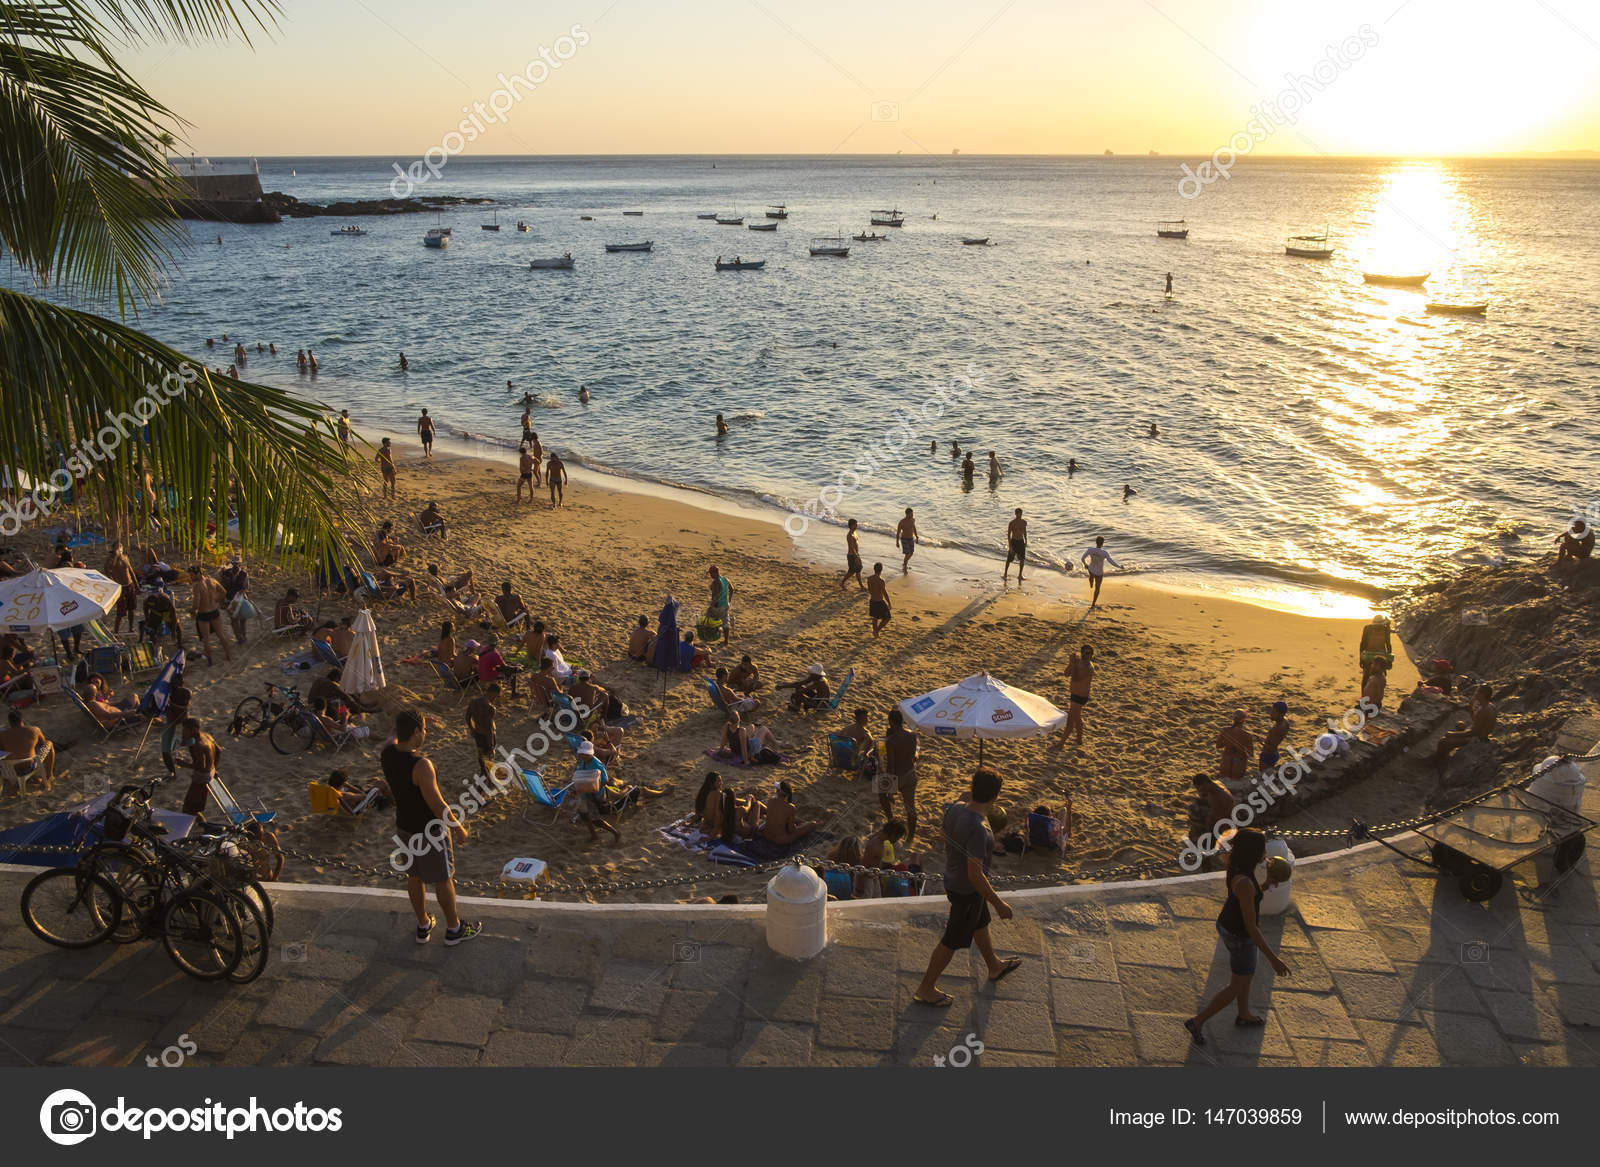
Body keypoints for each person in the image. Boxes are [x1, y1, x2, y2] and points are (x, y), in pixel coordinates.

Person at [912, 768, 1021, 1007]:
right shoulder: (980, 830)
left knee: (980, 923)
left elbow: (943, 834)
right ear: (995, 798)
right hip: (966, 891)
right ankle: (925, 988)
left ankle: (993, 966)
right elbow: (975, 874)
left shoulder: (955, 809)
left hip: (953, 879)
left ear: (972, 789)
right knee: (951, 939)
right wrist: (999, 903)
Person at [1184, 828, 1291, 1045]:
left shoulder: (1238, 866)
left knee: (1245, 975)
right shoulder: (1246, 884)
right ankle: (1197, 1021)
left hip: (1228, 924)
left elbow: (1247, 896)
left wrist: (1264, 885)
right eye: (1262, 850)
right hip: (1240, 936)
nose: (1265, 854)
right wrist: (1274, 960)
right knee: (1236, 985)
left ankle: (1244, 1014)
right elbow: (1251, 927)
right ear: (1252, 853)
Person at [382, 711, 481, 945]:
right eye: (423, 729)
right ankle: (454, 929)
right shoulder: (421, 765)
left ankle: (423, 924)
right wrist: (458, 828)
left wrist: (412, 719)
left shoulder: (387, 754)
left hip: (404, 828)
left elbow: (391, 736)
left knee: (414, 876)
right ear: (416, 733)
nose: (425, 733)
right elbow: (437, 804)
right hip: (430, 833)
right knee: (443, 879)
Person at [1430, 683, 1497, 770]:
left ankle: (1437, 761)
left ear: (1482, 694)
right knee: (1459, 724)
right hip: (1482, 734)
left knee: (1443, 741)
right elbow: (1477, 722)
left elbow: (1474, 732)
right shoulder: (1490, 706)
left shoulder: (1483, 710)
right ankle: (1446, 752)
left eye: (1477, 691)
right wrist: (1470, 709)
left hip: (1478, 739)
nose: (1475, 693)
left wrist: (1453, 734)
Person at [881, 708, 920, 844]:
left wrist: (891, 790)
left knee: (881, 793)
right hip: (910, 774)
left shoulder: (891, 740)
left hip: (897, 776)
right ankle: (910, 837)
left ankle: (890, 820)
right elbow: (915, 755)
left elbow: (891, 765)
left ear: (891, 722)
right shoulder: (912, 735)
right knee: (910, 807)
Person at [571, 741, 622, 843]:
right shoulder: (583, 762)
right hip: (584, 793)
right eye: (581, 754)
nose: (582, 756)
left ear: (591, 754)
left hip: (594, 795)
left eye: (584, 754)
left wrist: (593, 787)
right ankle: (594, 835)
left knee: (595, 819)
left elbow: (605, 780)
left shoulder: (596, 764)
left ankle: (615, 833)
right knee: (584, 815)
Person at [0, 708, 56, 795]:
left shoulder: (2, 735)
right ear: (22, 720)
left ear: (9, 722)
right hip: (29, 767)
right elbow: (42, 743)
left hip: (11, 770)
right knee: (49, 743)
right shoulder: (34, 730)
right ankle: (49, 776)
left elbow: (2, 751)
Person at [189, 566, 234, 664]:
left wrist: (192, 611)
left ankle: (210, 661)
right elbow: (224, 592)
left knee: (206, 639)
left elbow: (196, 604)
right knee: (221, 635)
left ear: (198, 574)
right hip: (214, 611)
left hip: (203, 614)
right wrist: (216, 600)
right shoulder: (212, 581)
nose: (191, 577)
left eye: (192, 575)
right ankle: (229, 656)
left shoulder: (197, 586)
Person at [1052, 644, 1095, 747]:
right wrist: (1071, 664)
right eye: (1083, 652)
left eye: (1088, 653)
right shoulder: (1078, 662)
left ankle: (1061, 743)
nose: (1085, 655)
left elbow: (1075, 678)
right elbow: (1066, 674)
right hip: (1074, 694)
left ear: (1092, 655)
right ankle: (1079, 740)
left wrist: (1073, 664)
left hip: (1080, 697)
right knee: (1077, 718)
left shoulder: (1089, 667)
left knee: (1071, 720)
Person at [1187, 772, 1236, 858]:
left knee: (1204, 846)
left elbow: (1220, 820)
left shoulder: (1219, 798)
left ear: (1205, 783)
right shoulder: (1215, 786)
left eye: (1200, 788)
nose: (1199, 791)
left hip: (1222, 826)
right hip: (1219, 819)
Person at [180, 717, 221, 817]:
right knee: (193, 807)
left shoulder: (198, 745)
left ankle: (205, 825)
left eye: (185, 729)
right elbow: (219, 751)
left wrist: (183, 764)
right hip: (210, 773)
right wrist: (213, 767)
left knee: (189, 808)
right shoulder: (206, 736)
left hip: (201, 778)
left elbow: (200, 766)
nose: (184, 732)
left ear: (193, 730)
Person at [761, 779, 816, 844]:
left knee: (794, 820)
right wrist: (798, 826)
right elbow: (791, 830)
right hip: (780, 840)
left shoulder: (770, 801)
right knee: (813, 824)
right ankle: (805, 823)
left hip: (767, 836)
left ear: (778, 792)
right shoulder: (790, 807)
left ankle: (803, 822)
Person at [1079, 535, 1122, 606]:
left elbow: (1082, 558)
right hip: (1099, 573)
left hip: (1091, 569)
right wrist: (1119, 566)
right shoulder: (1104, 553)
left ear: (1096, 542)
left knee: (1091, 576)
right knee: (1097, 588)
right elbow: (1111, 561)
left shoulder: (1090, 550)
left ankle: (1091, 582)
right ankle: (1093, 603)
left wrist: (1085, 564)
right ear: (1103, 543)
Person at [1216, 710, 1254, 783]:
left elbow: (1218, 746)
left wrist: (1228, 743)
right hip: (1238, 768)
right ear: (1244, 720)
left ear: (1233, 719)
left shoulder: (1224, 730)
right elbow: (1251, 754)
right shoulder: (1247, 735)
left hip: (1225, 766)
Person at [465, 683, 498, 762]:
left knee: (480, 754)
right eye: (496, 695)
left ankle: (482, 771)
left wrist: (472, 729)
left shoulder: (473, 702)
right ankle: (487, 773)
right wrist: (491, 746)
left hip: (477, 732)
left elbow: (467, 717)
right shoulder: (490, 708)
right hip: (487, 735)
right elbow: (489, 728)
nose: (495, 698)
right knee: (489, 756)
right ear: (492, 693)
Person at [1259, 700, 1290, 772]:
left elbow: (1270, 749)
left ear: (1281, 714)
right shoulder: (1285, 722)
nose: (1271, 714)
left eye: (1274, 712)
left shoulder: (1276, 729)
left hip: (1268, 756)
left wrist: (1260, 741)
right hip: (1274, 753)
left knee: (1264, 776)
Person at [706, 565, 732, 644]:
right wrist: (729, 600)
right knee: (725, 621)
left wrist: (711, 606)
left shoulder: (716, 582)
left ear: (715, 573)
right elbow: (732, 589)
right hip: (725, 604)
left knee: (708, 619)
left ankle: (710, 637)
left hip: (718, 605)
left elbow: (716, 596)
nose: (710, 575)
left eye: (711, 573)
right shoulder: (725, 579)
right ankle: (726, 641)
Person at [866, 562, 891, 638]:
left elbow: (870, 590)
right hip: (879, 601)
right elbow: (884, 593)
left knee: (875, 617)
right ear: (881, 570)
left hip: (872, 600)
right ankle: (876, 631)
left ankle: (875, 632)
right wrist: (889, 602)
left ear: (874, 569)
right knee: (887, 618)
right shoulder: (881, 581)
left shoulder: (869, 579)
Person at [839, 518, 865, 590]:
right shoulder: (849, 535)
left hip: (856, 554)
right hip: (852, 555)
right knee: (852, 571)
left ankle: (861, 585)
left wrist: (857, 554)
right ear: (851, 525)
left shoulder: (855, 533)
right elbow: (851, 547)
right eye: (855, 525)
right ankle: (842, 582)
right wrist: (856, 556)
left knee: (858, 569)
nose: (856, 526)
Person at [1003, 508, 1027, 582]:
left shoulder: (1024, 522)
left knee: (1022, 559)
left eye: (1021, 514)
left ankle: (1020, 575)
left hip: (1021, 542)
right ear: (1015, 514)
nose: (1020, 515)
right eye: (1018, 514)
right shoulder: (1011, 523)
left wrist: (1026, 540)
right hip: (1014, 542)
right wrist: (1010, 546)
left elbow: (1025, 531)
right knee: (1009, 559)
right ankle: (1005, 574)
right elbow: (1009, 535)